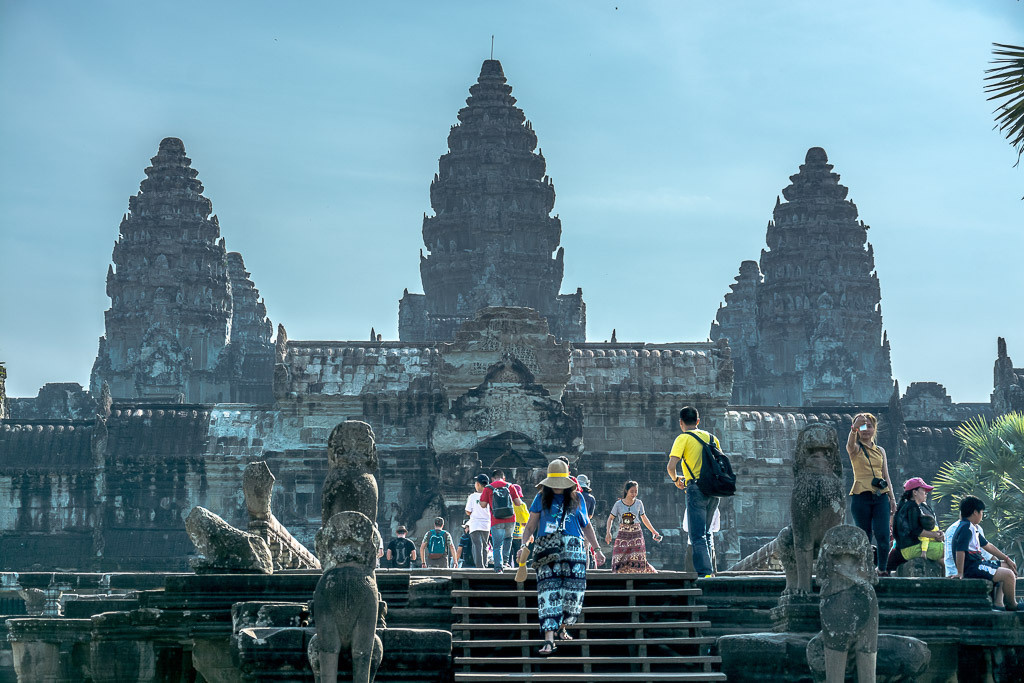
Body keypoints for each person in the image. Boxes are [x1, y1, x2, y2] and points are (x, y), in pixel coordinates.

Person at [521, 459, 605, 657]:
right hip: (546, 548)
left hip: (574, 549)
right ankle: (549, 639)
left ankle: (562, 626)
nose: (557, 489)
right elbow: (531, 525)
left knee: (574, 593)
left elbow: (587, 526)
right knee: (548, 591)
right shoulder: (540, 498)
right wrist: (524, 544)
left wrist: (597, 548)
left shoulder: (579, 499)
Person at [666, 405, 721, 577]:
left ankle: (704, 573)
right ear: (698, 421)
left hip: (695, 488)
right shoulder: (712, 438)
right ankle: (710, 571)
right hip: (714, 490)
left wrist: (676, 480)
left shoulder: (683, 438)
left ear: (681, 422)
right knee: (707, 532)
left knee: (697, 535)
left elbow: (671, 467)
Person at [846, 413, 897, 575]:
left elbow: (886, 475)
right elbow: (849, 444)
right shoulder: (855, 448)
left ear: (875, 429)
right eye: (863, 426)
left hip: (881, 495)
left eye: (869, 426)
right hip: (861, 495)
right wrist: (854, 427)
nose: (866, 429)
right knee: (864, 535)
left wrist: (892, 498)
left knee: (882, 534)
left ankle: (882, 569)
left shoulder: (880, 451)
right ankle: (864, 569)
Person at [951, 495, 1021, 611]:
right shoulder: (966, 527)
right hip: (973, 567)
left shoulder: (972, 527)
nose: (982, 516)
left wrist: (1006, 558)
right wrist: (960, 572)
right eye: (981, 512)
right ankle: (1012, 604)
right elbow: (960, 549)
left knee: (1008, 566)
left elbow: (988, 545)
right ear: (975, 512)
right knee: (1008, 574)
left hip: (979, 564)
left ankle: (999, 603)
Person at [606, 480, 662, 573]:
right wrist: (608, 532)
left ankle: (638, 575)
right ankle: (619, 575)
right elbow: (610, 518)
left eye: (636, 491)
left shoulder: (639, 503)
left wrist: (653, 531)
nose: (634, 494)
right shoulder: (618, 504)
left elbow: (644, 518)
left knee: (638, 555)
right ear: (626, 491)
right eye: (632, 491)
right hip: (623, 532)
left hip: (636, 532)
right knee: (620, 555)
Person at [479, 468, 524, 572]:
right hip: (510, 519)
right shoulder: (510, 486)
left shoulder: (488, 488)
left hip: (496, 519)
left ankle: (498, 568)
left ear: (492, 478)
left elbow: (483, 505)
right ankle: (505, 562)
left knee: (497, 545)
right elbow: (518, 503)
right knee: (508, 539)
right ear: (504, 477)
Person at [893, 477, 944, 563]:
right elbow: (916, 531)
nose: (926, 493)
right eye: (924, 490)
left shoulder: (906, 506)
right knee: (949, 551)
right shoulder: (912, 507)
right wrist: (935, 535)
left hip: (906, 549)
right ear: (915, 492)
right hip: (912, 548)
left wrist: (936, 534)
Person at [465, 474, 492, 569]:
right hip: (486, 524)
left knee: (477, 545)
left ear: (479, 484)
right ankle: (485, 564)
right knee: (485, 545)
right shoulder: (490, 494)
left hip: (475, 524)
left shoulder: (472, 496)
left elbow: (468, 511)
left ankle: (479, 566)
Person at [683, 506, 721, 573]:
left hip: (692, 544)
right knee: (710, 574)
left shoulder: (690, 507)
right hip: (709, 544)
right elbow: (716, 528)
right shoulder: (715, 508)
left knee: (691, 574)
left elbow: (686, 528)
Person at [577, 474, 598, 568]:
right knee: (586, 550)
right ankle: (586, 571)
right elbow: (590, 515)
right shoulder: (591, 498)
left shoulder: (574, 496)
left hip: (574, 526)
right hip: (585, 526)